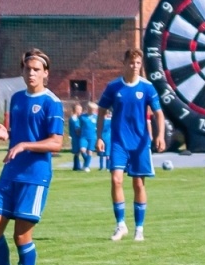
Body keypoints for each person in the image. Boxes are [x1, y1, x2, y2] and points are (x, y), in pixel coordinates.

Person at [0, 49, 64, 265]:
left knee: (21, 237)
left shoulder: (52, 102)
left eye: (36, 69)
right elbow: (17, 131)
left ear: (46, 74)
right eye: (27, 69)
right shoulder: (17, 98)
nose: (31, 73)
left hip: (34, 177)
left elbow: (56, 143)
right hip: (10, 173)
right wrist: (6, 134)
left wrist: (25, 145)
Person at [96, 49, 165, 242]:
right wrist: (100, 137)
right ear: (124, 63)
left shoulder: (147, 87)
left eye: (138, 63)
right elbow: (101, 110)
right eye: (131, 62)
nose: (134, 66)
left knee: (138, 183)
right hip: (118, 142)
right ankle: (121, 225)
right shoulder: (113, 87)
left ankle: (139, 229)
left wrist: (159, 135)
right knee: (116, 180)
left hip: (140, 144)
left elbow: (158, 113)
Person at [69, 101, 96, 172]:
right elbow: (77, 126)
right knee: (81, 150)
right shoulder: (81, 117)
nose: (80, 111)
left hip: (92, 137)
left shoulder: (95, 117)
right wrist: (78, 132)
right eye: (79, 109)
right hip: (81, 137)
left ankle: (85, 166)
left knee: (88, 151)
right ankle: (82, 165)